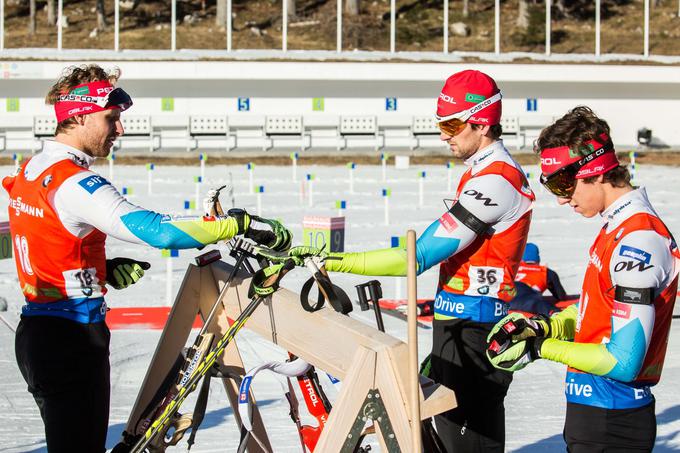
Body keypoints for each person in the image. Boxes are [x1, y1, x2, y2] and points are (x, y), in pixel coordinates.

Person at [2, 64, 291, 453]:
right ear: (80, 115)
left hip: (41, 332)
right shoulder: (75, 182)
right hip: (71, 339)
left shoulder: (32, 168)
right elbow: (156, 230)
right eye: (112, 118)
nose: (119, 130)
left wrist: (96, 269)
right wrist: (232, 225)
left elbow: (42, 236)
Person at [266, 69, 535, 452]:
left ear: (483, 123)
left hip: (475, 330)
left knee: (468, 444)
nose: (443, 133)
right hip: (457, 325)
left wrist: (334, 260)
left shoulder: (497, 181)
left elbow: (417, 256)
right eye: (440, 122)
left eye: (452, 123)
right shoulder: (482, 172)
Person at [487, 106, 678, 452]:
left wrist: (540, 349)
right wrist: (547, 327)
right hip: (596, 415)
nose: (561, 199)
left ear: (596, 170)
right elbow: (596, 312)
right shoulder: (617, 229)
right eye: (551, 186)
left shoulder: (639, 241)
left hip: (613, 421)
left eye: (562, 182)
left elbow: (624, 361)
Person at [509, 242, 567, 315]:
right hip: (526, 295)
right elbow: (561, 296)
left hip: (507, 292)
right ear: (538, 258)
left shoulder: (513, 268)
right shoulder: (546, 272)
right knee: (547, 309)